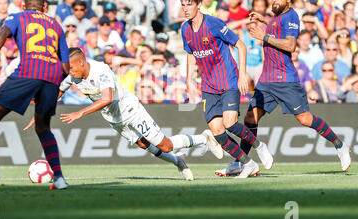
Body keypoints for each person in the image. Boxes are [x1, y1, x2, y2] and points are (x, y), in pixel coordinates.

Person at [25, 47, 224, 181]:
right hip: (114, 118)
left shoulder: (100, 70)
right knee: (143, 144)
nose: (69, 72)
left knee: (165, 144)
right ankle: (178, 161)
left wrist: (80, 113)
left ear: (82, 62)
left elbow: (107, 98)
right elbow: (59, 92)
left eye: (72, 68)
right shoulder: (71, 75)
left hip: (130, 110)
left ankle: (203, 138)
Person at [0, 0, 70, 191]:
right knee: (43, 127)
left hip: (29, 71)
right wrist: (46, 86)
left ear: (24, 5)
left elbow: (2, 35)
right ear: (44, 6)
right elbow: (66, 68)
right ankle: (58, 178)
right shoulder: (56, 25)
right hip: (53, 75)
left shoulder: (17, 17)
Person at [243, 0, 351, 174]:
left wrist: (263, 35)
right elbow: (276, 30)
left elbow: (291, 45)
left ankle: (339, 145)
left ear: (288, 0)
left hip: (285, 79)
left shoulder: (291, 16)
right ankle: (242, 161)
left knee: (305, 119)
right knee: (250, 118)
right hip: (267, 80)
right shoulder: (276, 17)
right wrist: (264, 20)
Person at [180, 0, 271, 179]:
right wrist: (189, 79)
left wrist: (242, 75)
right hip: (208, 86)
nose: (185, 8)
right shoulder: (185, 29)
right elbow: (190, 54)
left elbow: (240, 45)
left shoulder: (213, 24)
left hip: (228, 80)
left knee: (230, 124)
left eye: (189, 4)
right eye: (183, 5)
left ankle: (258, 145)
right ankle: (249, 164)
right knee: (218, 132)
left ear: (198, 4)